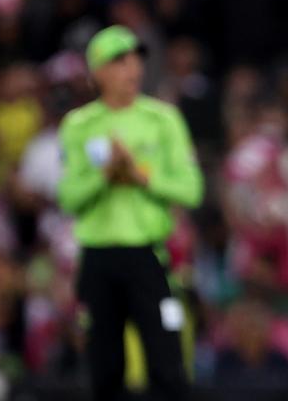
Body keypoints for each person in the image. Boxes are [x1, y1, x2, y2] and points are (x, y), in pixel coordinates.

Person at [57, 25, 205, 400]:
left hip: (149, 257)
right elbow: (68, 198)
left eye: (136, 58)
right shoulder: (79, 125)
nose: (132, 67)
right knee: (104, 371)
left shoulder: (163, 120)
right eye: (119, 60)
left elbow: (191, 190)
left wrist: (141, 176)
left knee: (168, 366)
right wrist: (105, 176)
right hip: (98, 259)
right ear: (97, 72)